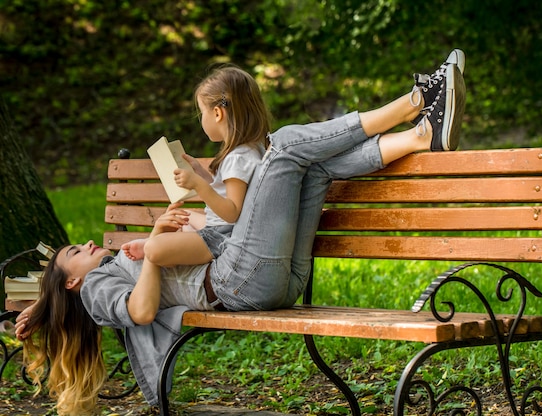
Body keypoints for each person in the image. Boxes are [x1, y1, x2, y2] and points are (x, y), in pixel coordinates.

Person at [15, 50, 466, 415]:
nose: (89, 243)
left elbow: (208, 228)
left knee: (311, 167)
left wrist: (38, 307)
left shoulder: (101, 270)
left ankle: (422, 135)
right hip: (240, 281)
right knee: (286, 145)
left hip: (272, 279)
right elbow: (142, 309)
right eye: (76, 250)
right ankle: (415, 101)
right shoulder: (95, 285)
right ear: (74, 279)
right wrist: (153, 249)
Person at [121, 66, 267, 266]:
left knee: (155, 248)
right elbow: (230, 194)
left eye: (201, 112)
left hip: (221, 236)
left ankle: (151, 245)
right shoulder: (251, 150)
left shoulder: (238, 158)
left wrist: (198, 184)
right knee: (183, 216)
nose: (201, 119)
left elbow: (232, 212)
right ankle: (157, 242)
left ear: (217, 113)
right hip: (222, 229)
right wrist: (203, 175)